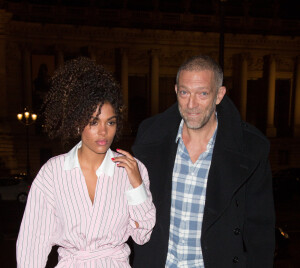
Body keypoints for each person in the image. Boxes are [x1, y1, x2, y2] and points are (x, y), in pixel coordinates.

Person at [132, 55, 275, 267]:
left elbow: (260, 231)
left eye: (203, 94)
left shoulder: (250, 149)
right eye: (184, 92)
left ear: (219, 95)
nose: (191, 104)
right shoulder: (150, 138)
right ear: (176, 91)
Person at [16, 57, 156, 268]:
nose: (103, 131)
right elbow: (33, 241)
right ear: (76, 124)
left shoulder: (132, 170)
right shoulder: (53, 172)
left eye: (110, 122)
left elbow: (142, 234)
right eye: (93, 122)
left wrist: (137, 186)